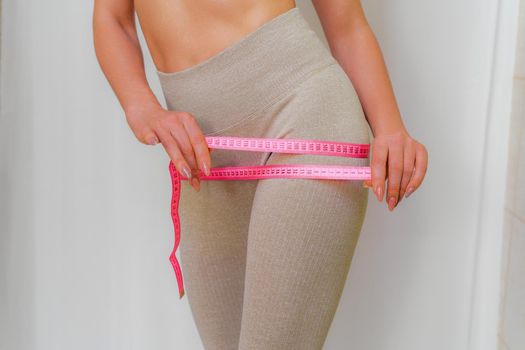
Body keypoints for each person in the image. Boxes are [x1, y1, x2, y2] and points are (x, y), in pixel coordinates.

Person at [92, 1, 428, 349]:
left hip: (303, 114)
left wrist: (389, 127)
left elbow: (346, 25)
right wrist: (140, 105)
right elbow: (112, 19)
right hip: (202, 155)